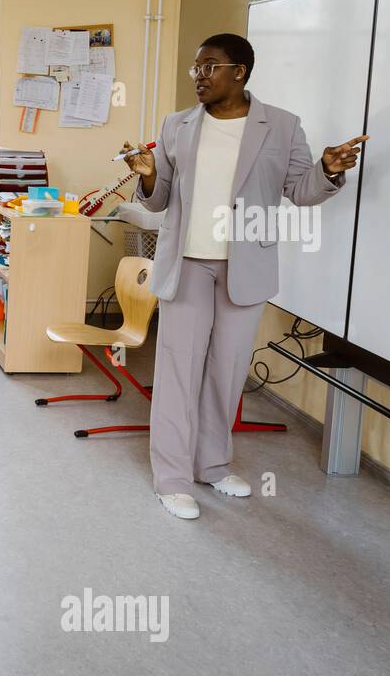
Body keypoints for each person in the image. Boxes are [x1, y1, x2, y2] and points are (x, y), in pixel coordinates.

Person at [124, 32, 366, 519]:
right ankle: (171, 478)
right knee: (177, 371)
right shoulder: (177, 126)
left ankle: (212, 465)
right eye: (197, 68)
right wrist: (149, 174)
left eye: (210, 66)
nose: (200, 76)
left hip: (245, 266)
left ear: (241, 72)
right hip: (186, 265)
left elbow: (300, 190)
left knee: (226, 371)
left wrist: (328, 169)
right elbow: (159, 198)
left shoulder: (281, 125)